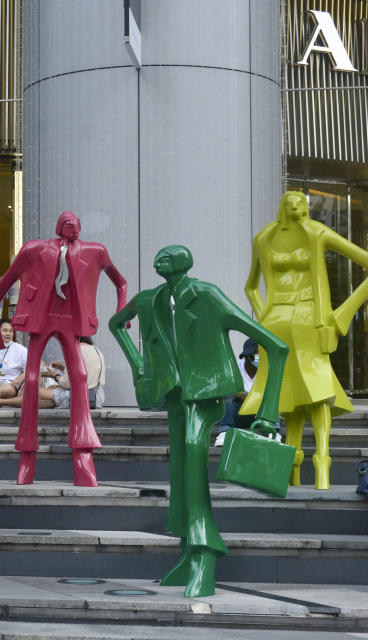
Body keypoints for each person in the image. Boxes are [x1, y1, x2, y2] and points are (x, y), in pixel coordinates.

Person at [109, 245, 288, 598]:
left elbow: (276, 347)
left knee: (192, 457)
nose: (161, 259)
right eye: (158, 256)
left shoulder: (207, 295)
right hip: (175, 396)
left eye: (170, 256)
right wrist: (138, 365)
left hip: (205, 395)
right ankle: (190, 551)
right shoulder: (152, 299)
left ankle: (205, 550)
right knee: (180, 470)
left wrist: (267, 412)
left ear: (185, 262)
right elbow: (117, 325)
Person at [0, 211, 127, 485]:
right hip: (43, 318)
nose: (72, 225)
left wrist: (120, 316)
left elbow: (121, 283)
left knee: (80, 376)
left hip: (71, 320)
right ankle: (27, 457)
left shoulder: (94, 251)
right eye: (67, 222)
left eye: (76, 222)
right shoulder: (35, 249)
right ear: (59, 225)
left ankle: (83, 456)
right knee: (33, 376)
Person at [243, 191, 368, 490]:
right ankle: (294, 470)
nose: (295, 207)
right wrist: (263, 319)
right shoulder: (264, 238)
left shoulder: (317, 232)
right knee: (288, 395)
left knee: (317, 388)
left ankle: (321, 465)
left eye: (300, 202)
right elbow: (250, 287)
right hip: (276, 322)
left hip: (310, 318)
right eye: (290, 202)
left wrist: (342, 314)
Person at [0, 337, 105, 409]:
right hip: (98, 396)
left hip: (81, 398)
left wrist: (53, 375)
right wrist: (61, 368)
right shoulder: (96, 350)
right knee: (50, 389)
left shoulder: (76, 351)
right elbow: (84, 373)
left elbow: (66, 384)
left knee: (33, 391)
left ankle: (1, 401)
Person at [214, 338, 260, 447]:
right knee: (227, 399)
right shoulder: (235, 367)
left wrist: (252, 397)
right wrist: (238, 394)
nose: (259, 356)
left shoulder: (266, 368)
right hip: (238, 413)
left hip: (258, 414)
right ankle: (224, 432)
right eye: (256, 352)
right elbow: (224, 390)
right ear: (247, 356)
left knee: (272, 396)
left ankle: (274, 431)